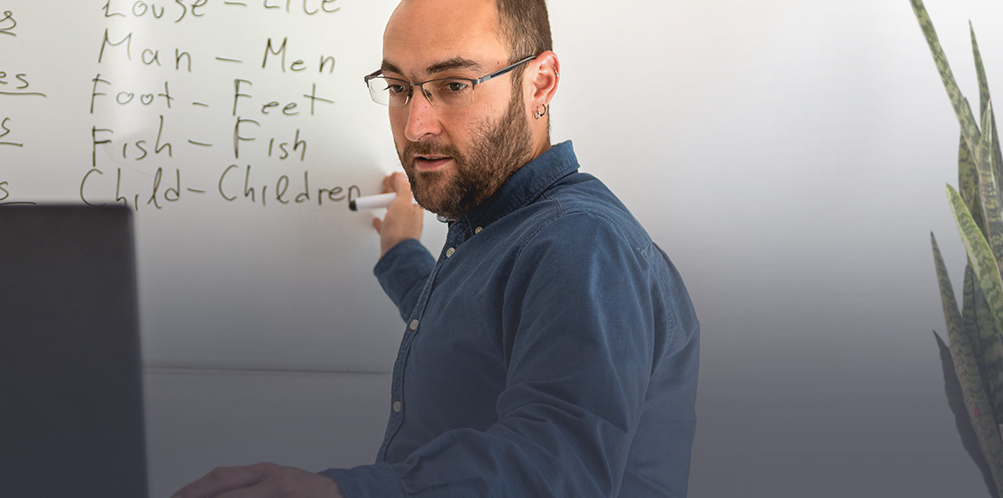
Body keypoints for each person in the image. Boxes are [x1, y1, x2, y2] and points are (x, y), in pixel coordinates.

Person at [172, 0, 699, 496]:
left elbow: (556, 468)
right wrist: (401, 251)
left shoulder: (580, 242)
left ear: (541, 83)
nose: (416, 126)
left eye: (453, 84)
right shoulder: (498, 228)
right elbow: (471, 330)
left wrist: (340, 492)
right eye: (399, 87)